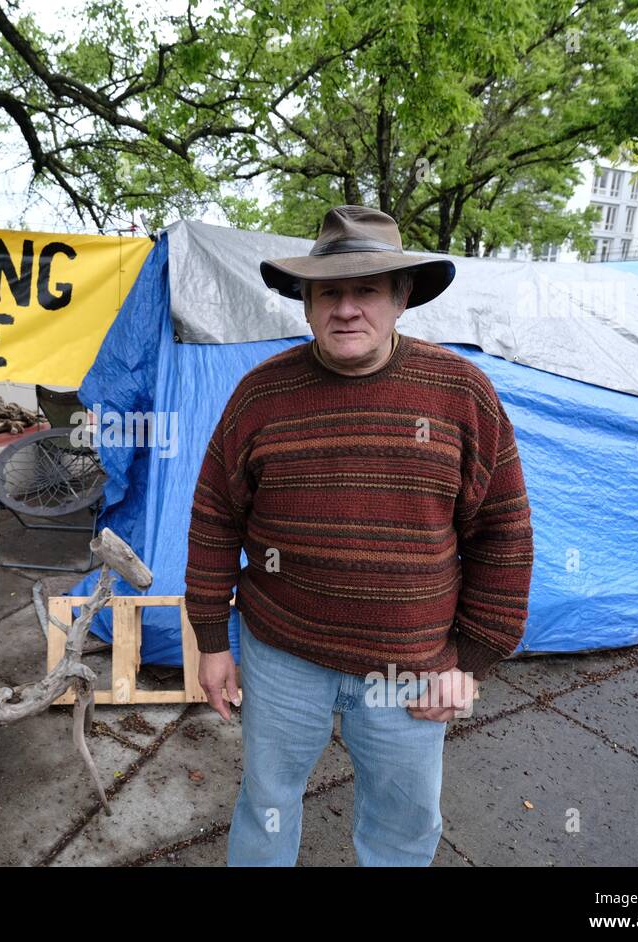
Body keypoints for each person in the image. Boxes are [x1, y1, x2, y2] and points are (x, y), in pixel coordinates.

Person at [184, 205, 534, 866]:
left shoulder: (461, 395)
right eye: (328, 291)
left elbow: (503, 536)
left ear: (401, 298)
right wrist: (210, 639)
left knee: (403, 824)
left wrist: (472, 660)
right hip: (281, 655)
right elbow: (214, 521)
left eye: (366, 289)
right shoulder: (261, 396)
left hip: (410, 667)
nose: (346, 308)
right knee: (266, 804)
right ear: (307, 303)